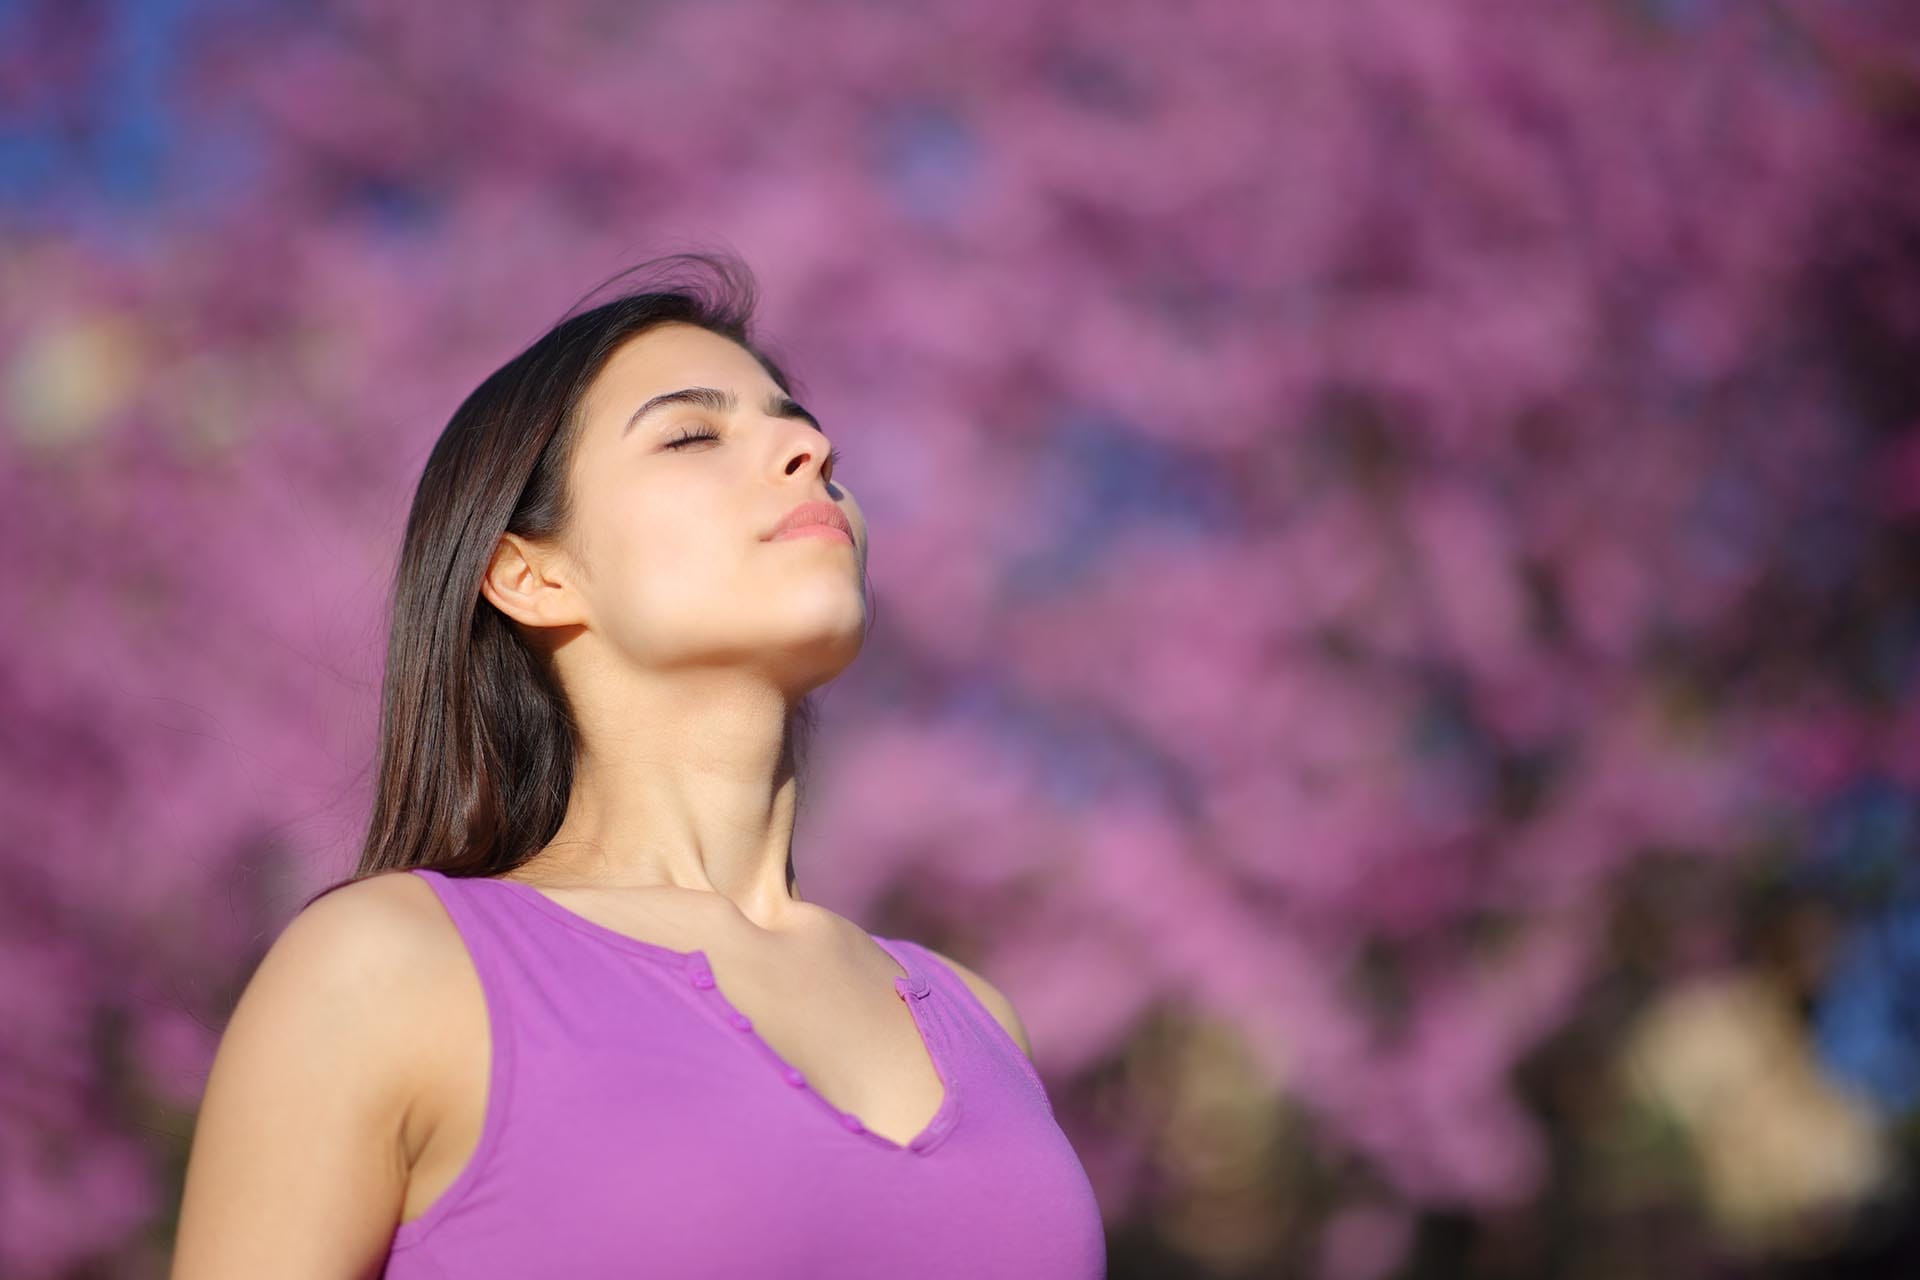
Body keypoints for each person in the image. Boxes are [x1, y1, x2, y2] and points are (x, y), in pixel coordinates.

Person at [170, 253, 1108, 1278]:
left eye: (800, 425)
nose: (811, 445)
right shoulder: (388, 968)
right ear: (531, 574)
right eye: (694, 433)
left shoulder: (981, 1016)